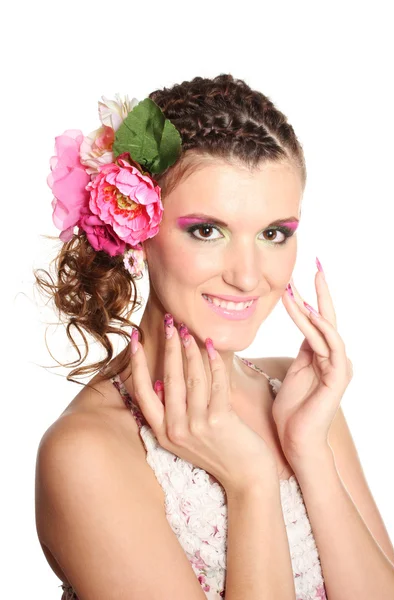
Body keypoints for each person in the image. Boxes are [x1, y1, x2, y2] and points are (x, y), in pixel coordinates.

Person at [34, 73, 326, 600]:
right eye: (207, 231)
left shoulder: (299, 394)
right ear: (137, 232)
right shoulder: (87, 453)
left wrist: (309, 447)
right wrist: (251, 483)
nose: (247, 274)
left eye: (273, 234)